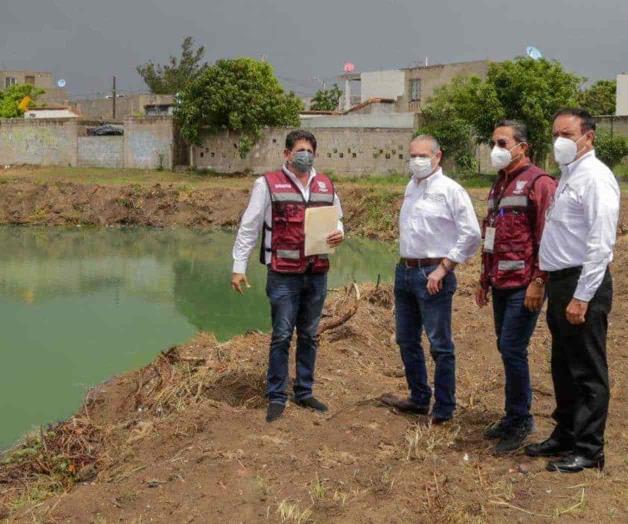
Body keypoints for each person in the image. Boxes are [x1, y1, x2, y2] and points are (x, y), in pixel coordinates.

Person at [525, 109, 620, 473]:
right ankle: (564, 435)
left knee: (587, 370)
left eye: (567, 134)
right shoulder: (568, 176)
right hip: (560, 281)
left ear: (588, 137)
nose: (559, 141)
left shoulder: (595, 178)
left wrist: (582, 296)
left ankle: (589, 448)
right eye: (556, 134)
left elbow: (599, 244)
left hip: (584, 283)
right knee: (562, 365)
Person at [231, 130, 344, 423]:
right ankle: (277, 395)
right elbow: (249, 226)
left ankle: (304, 391)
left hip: (316, 273)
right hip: (283, 274)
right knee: (281, 335)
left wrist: (339, 233)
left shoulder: (326, 184)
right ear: (287, 154)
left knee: (309, 334)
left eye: (309, 150)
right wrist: (238, 267)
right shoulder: (267, 184)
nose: (305, 155)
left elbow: (339, 219)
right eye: (300, 150)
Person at [382, 135, 481, 424]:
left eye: (423, 155)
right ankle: (418, 396)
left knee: (439, 344)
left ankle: (444, 407)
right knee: (406, 339)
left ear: (438, 156)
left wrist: (445, 266)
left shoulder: (451, 190)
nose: (417, 160)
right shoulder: (411, 187)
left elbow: (471, 234)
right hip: (406, 272)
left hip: (433, 274)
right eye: (412, 155)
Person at [475, 120, 557, 454]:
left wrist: (539, 281)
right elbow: (491, 237)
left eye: (503, 142)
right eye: (494, 142)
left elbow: (548, 238)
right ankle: (512, 416)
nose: (496, 148)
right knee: (506, 348)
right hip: (501, 283)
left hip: (526, 285)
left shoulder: (540, 183)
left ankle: (522, 420)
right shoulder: (499, 185)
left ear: (522, 146)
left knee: (512, 348)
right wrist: (483, 279)